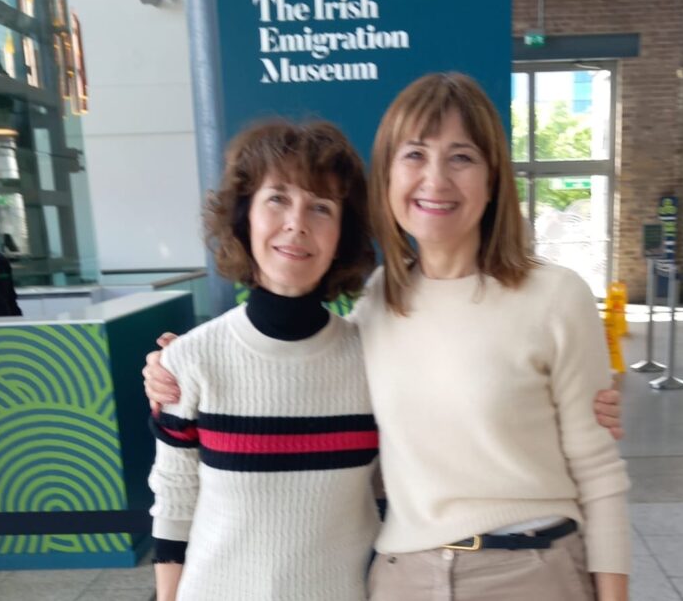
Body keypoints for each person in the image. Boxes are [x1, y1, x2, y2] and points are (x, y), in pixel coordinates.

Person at [146, 74, 629, 600]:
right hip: (405, 578)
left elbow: (598, 472)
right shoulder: (377, 306)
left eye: (462, 157)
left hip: (527, 571)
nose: (436, 179)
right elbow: (189, 482)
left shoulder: (553, 296)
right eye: (415, 154)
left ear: (493, 179)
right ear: (389, 177)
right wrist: (172, 368)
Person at [148, 120, 379, 601]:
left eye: (321, 206)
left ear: (343, 235)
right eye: (277, 199)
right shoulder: (190, 358)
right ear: (244, 217)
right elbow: (175, 497)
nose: (297, 222)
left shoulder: (374, 359)